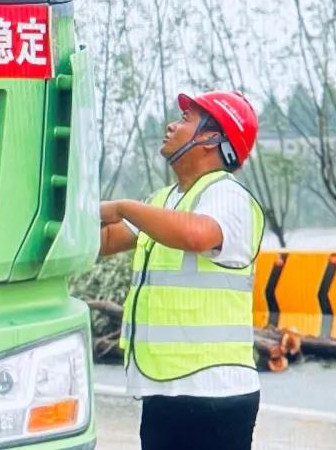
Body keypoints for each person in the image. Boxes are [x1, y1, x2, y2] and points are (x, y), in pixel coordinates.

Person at [99, 90, 265, 450]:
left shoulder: (227, 194)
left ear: (211, 139)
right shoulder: (164, 200)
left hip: (215, 393)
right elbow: (105, 241)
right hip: (165, 389)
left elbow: (197, 234)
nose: (172, 125)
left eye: (186, 119)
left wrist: (123, 207)